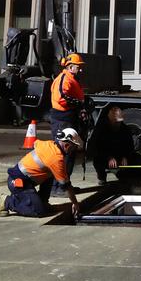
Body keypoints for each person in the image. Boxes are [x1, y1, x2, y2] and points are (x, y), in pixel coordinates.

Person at [0, 127, 83, 218]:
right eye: (73, 147)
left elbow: (36, 143)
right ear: (67, 145)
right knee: (39, 211)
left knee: (51, 173)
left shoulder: (49, 144)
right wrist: (75, 203)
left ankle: (42, 202)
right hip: (18, 183)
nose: (73, 151)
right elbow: (66, 185)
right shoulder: (56, 159)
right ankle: (7, 201)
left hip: (25, 180)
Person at [49, 53, 86, 195]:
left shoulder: (71, 78)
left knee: (69, 154)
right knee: (62, 154)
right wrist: (79, 104)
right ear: (70, 67)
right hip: (62, 120)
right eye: (79, 67)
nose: (81, 70)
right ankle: (58, 188)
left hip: (67, 119)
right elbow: (62, 97)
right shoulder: (64, 79)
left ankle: (64, 185)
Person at [91, 104, 134, 184]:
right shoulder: (102, 130)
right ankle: (102, 177)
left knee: (135, 160)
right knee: (97, 160)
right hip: (107, 156)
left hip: (120, 155)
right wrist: (108, 157)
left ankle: (121, 173)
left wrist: (125, 157)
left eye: (119, 122)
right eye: (116, 122)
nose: (118, 124)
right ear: (110, 120)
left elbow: (130, 146)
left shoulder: (125, 130)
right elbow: (99, 147)